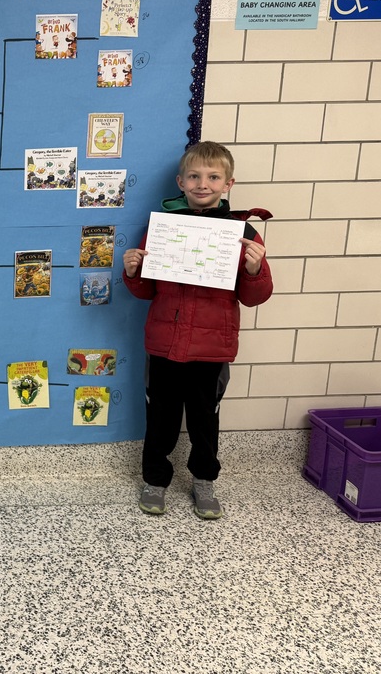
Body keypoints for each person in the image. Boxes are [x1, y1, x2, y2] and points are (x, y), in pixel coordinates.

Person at [121, 141, 273, 520]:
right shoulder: (162, 226)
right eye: (194, 176)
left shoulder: (243, 233)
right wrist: (132, 270)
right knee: (161, 419)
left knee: (206, 420)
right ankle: (155, 480)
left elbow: (254, 298)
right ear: (181, 181)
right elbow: (145, 291)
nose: (203, 183)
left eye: (213, 176)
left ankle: (204, 479)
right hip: (165, 344)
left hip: (212, 348)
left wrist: (255, 270)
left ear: (228, 184)